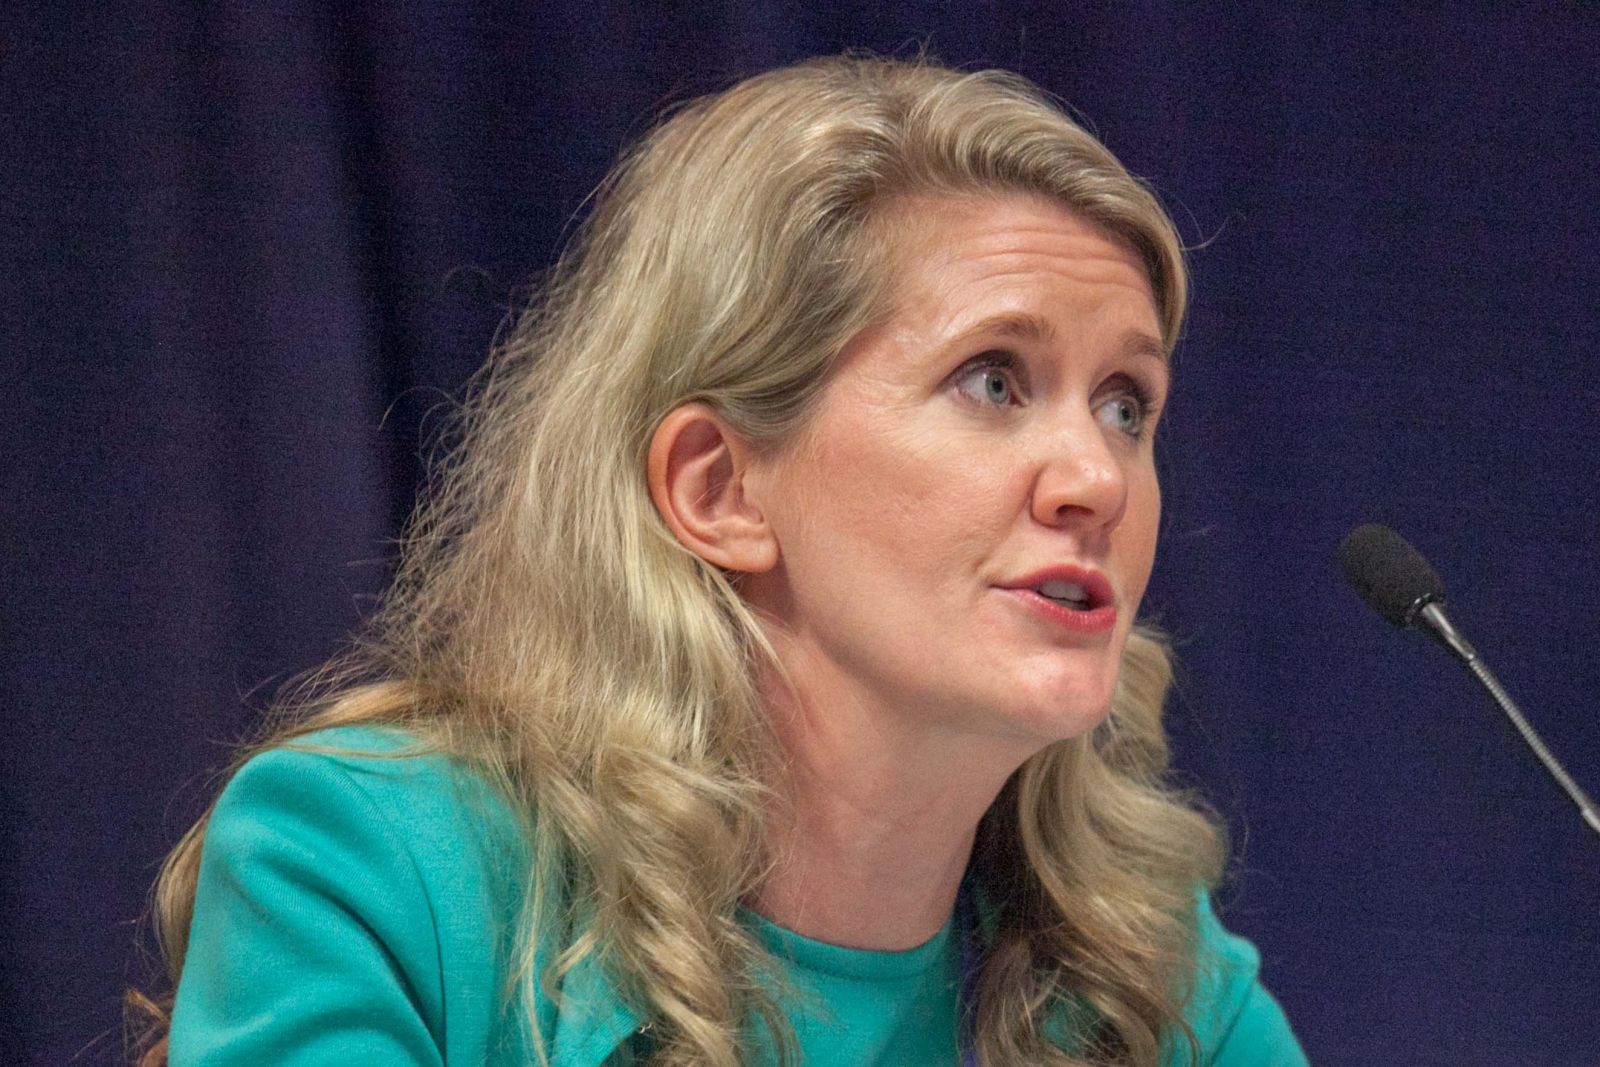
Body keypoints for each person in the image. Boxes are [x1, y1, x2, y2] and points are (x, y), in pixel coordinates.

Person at [133, 55, 1309, 1066]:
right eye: (993, 380)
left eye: (1125, 403)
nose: (1098, 478)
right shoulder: (374, 868)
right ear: (718, 488)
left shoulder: (1146, 967)